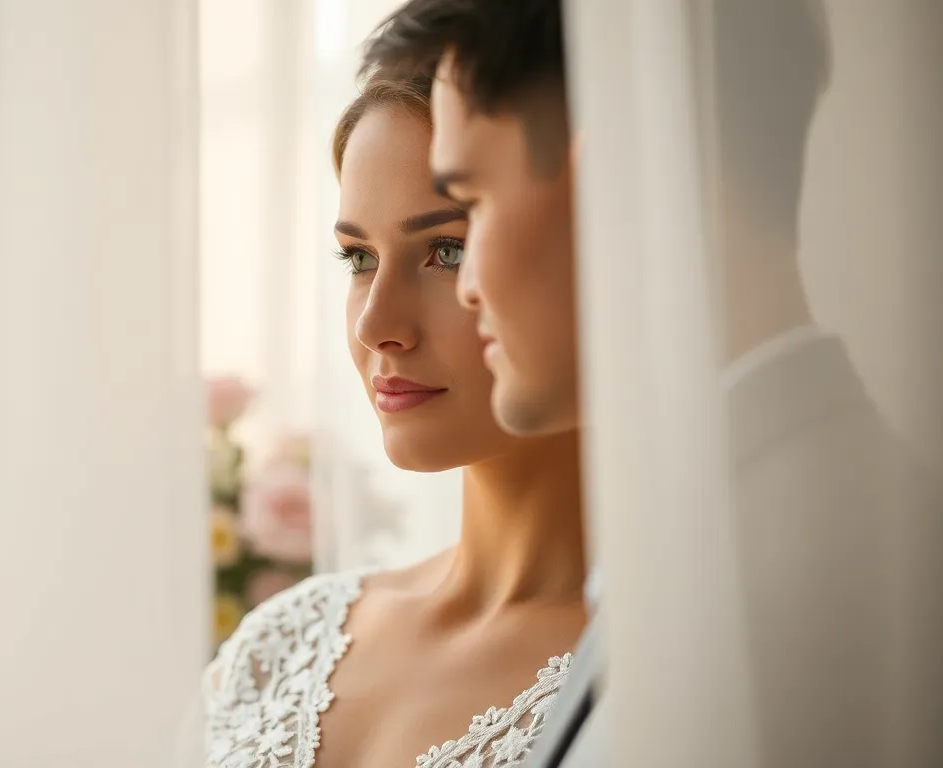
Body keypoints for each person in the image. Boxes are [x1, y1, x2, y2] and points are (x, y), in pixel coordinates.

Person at [360, 0, 941, 765]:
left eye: (470, 205)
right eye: (356, 257)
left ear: (615, 181)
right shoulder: (752, 520)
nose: (469, 289)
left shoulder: (823, 580)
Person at [202, 74, 588, 768]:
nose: (378, 325)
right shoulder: (280, 644)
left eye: (447, 251)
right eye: (359, 258)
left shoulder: (661, 667)